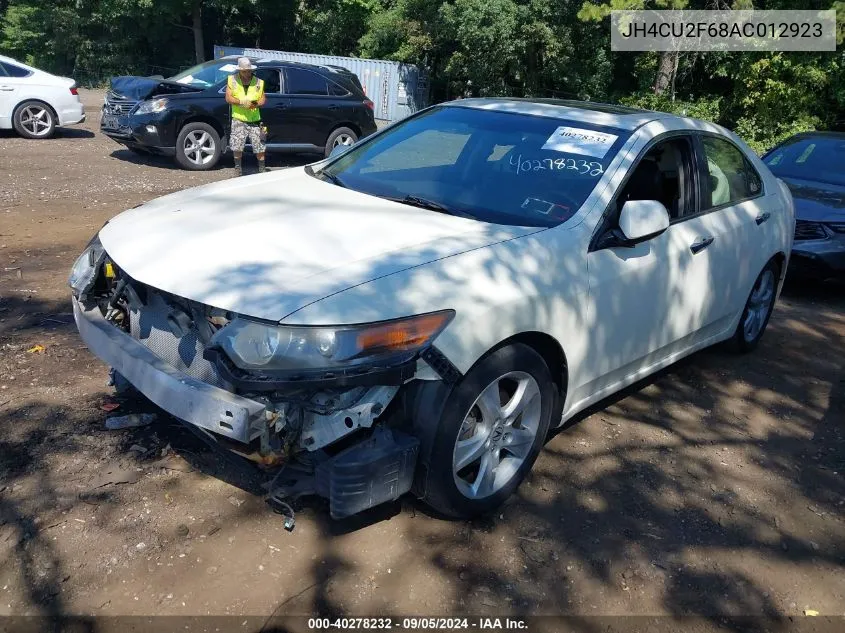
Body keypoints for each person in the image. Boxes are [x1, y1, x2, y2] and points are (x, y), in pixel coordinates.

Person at [225, 57, 267, 176]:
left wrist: (254, 104)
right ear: (239, 70)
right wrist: (242, 102)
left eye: (249, 71)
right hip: (239, 118)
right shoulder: (232, 80)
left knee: (260, 146)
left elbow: (263, 99)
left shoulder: (259, 82)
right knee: (237, 146)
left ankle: (262, 169)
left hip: (255, 120)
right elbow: (228, 98)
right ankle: (238, 169)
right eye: (244, 71)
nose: (247, 73)